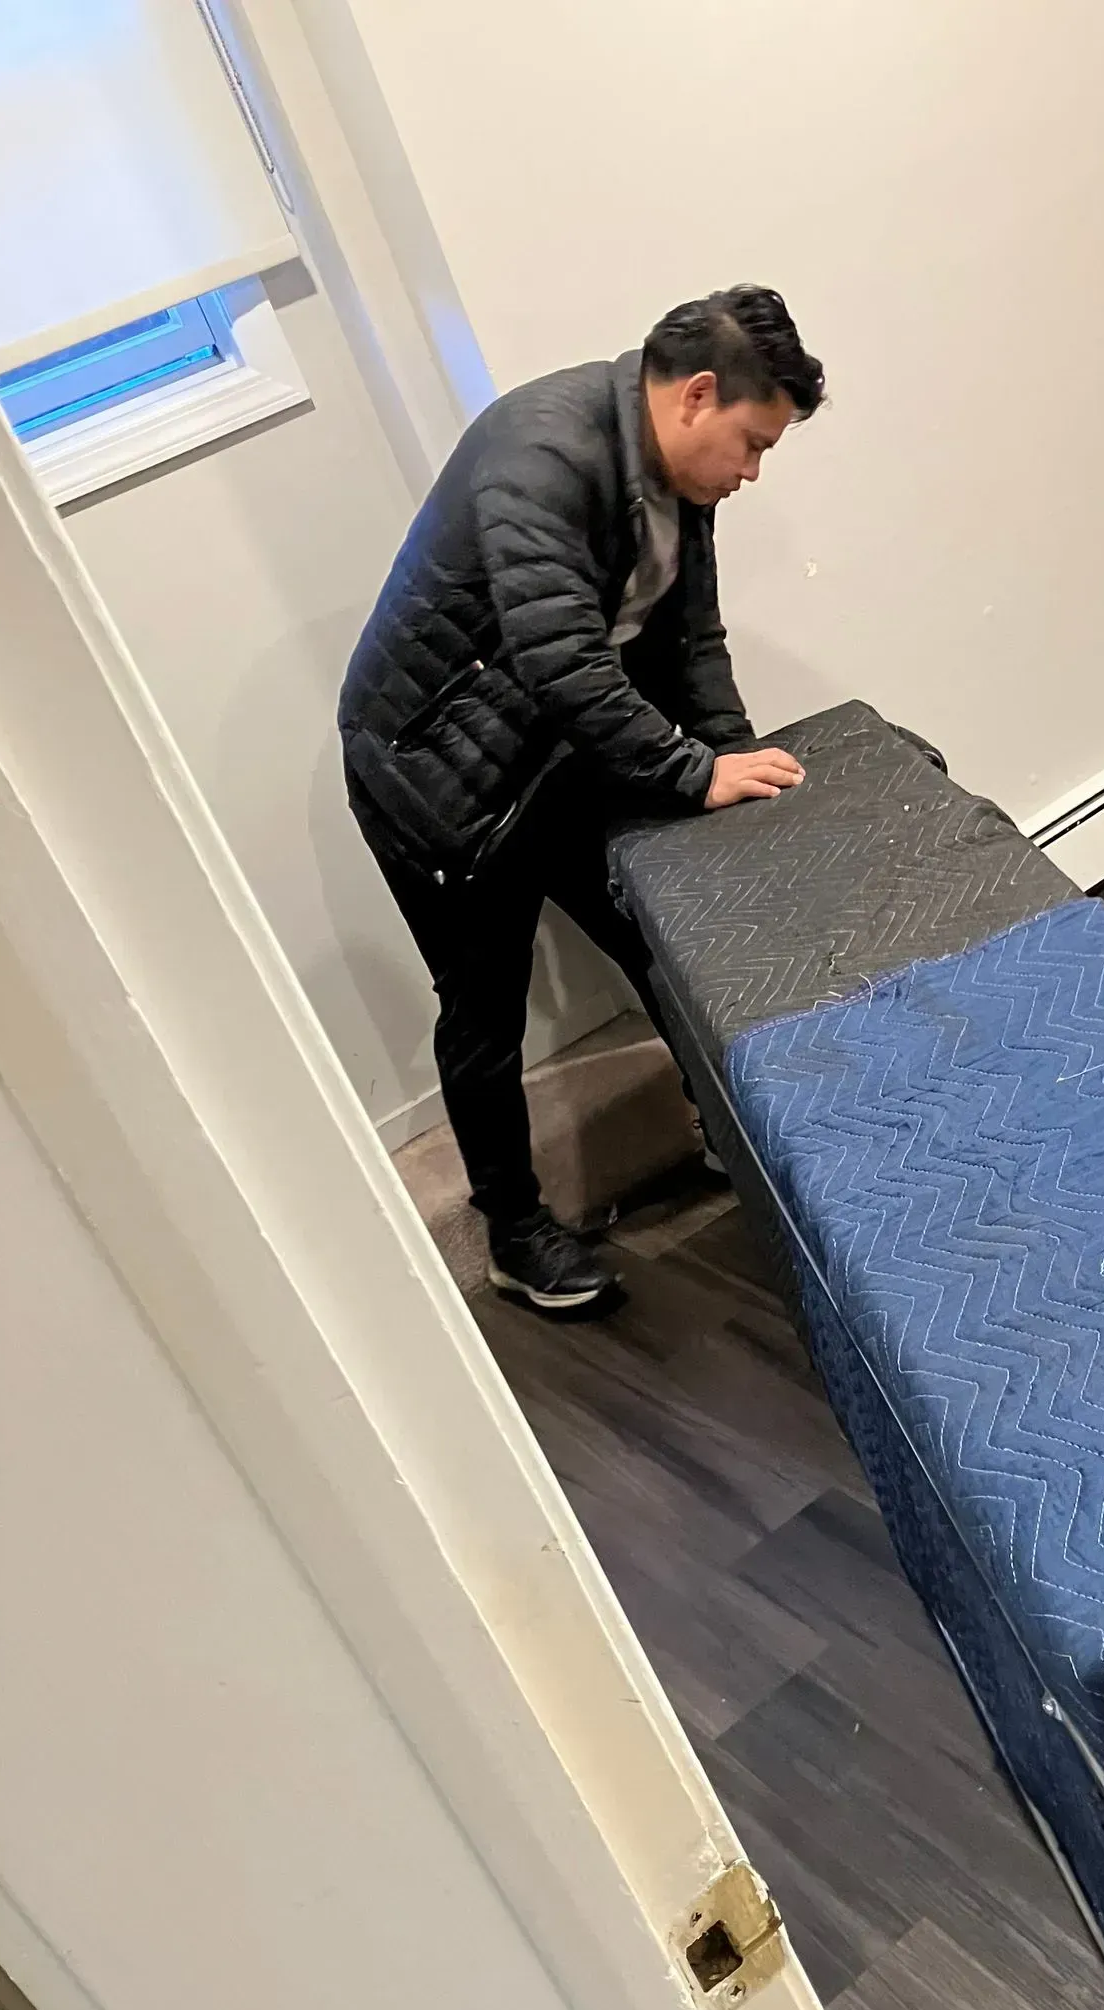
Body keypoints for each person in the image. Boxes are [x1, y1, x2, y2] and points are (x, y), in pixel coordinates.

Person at [339, 285, 824, 1312]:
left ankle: (729, 1137)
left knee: (663, 940)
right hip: (437, 776)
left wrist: (736, 764)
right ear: (698, 395)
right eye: (751, 444)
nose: (748, 473)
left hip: (559, 753)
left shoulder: (674, 483)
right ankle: (514, 1234)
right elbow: (561, 658)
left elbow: (689, 640)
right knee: (482, 1011)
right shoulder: (544, 453)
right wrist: (692, 772)